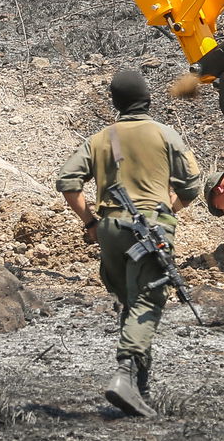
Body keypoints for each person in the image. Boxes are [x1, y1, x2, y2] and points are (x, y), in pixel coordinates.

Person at [55, 68, 202, 418]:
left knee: (130, 305)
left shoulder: (101, 138)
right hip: (151, 228)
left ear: (115, 103)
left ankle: (138, 389)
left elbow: (67, 182)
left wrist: (90, 222)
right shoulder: (165, 135)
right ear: (148, 100)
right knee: (149, 302)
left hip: (110, 230)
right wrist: (168, 208)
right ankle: (124, 374)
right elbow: (192, 187)